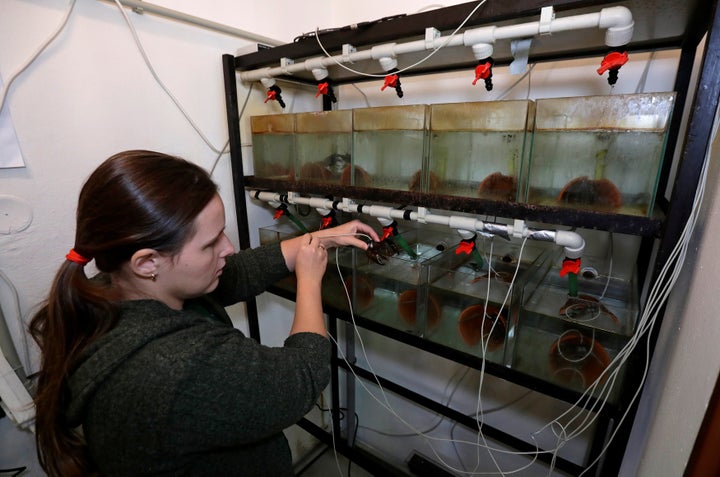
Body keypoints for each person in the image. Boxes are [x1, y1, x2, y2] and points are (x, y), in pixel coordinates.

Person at [28, 150, 380, 477]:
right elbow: (302, 375)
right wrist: (309, 279)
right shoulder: (177, 364)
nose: (227, 248)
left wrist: (321, 238)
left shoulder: (113, 289)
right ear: (148, 261)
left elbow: (237, 271)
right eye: (210, 244)